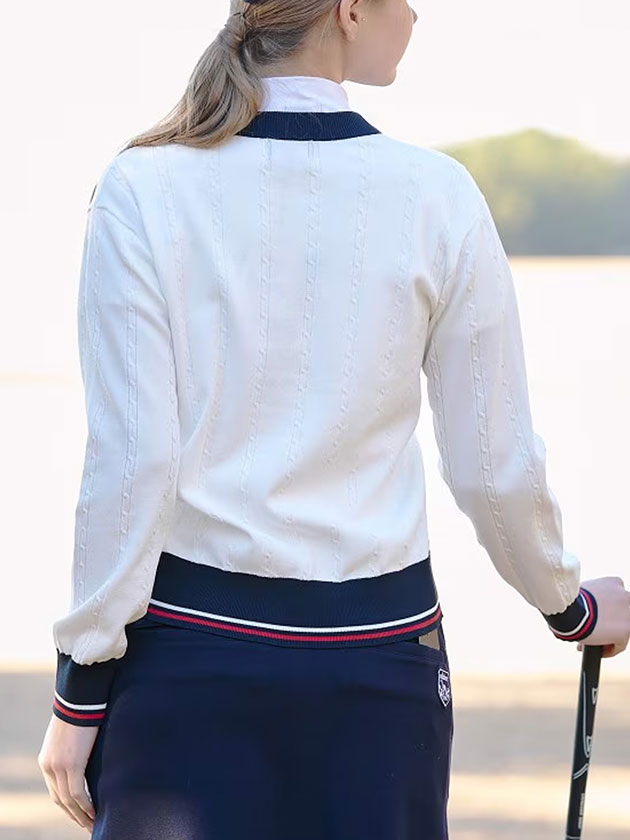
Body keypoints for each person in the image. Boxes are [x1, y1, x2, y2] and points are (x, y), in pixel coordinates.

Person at [37, 0, 630, 837]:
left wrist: (81, 684)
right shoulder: (439, 196)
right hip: (382, 664)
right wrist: (567, 604)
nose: (417, 14)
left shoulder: (141, 187)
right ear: (350, 9)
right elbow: (492, 467)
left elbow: (131, 463)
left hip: (187, 660)